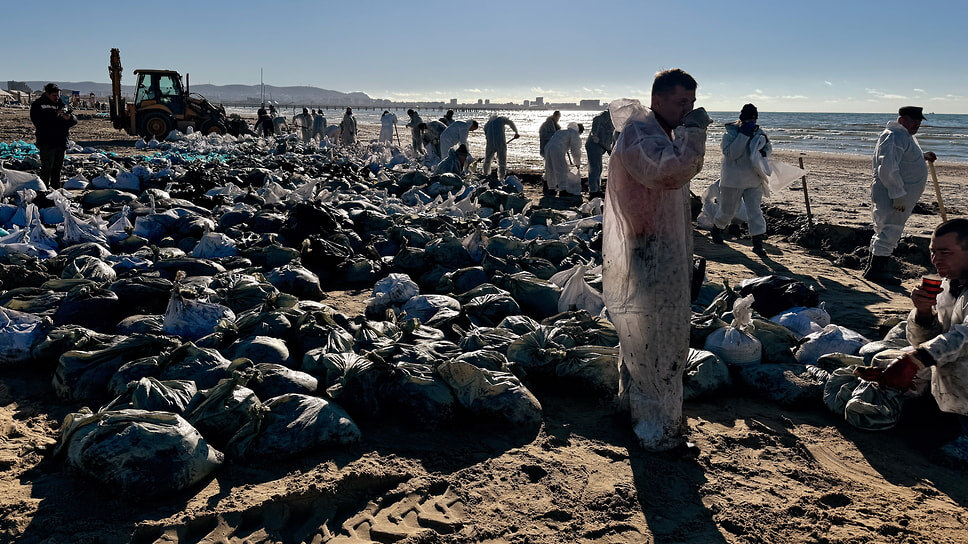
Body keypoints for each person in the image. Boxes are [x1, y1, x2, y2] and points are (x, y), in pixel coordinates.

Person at [602, 69, 711, 452]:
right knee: (658, 336)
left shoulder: (655, 132)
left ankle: (632, 409)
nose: (688, 110)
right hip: (648, 250)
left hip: (658, 247)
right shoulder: (639, 133)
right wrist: (695, 134)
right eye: (682, 103)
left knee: (644, 334)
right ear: (658, 99)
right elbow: (670, 172)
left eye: (693, 104)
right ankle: (655, 428)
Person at [871, 219, 968, 464]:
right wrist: (923, 313)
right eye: (933, 252)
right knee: (881, 362)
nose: (936, 260)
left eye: (945, 252)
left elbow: (962, 338)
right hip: (951, 372)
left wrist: (916, 360)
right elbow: (930, 340)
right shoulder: (948, 286)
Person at [866, 106, 938, 284]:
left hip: (897, 192)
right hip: (892, 193)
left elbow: (904, 158)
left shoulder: (902, 135)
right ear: (901, 120)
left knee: (885, 228)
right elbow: (888, 167)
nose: (917, 124)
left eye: (919, 121)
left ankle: (873, 268)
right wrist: (897, 194)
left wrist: (922, 156)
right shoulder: (895, 135)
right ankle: (877, 270)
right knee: (890, 229)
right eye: (913, 121)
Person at [711, 103, 771, 255]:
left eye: (753, 120)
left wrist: (765, 152)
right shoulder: (730, 134)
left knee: (755, 211)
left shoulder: (759, 132)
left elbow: (768, 148)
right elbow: (732, 154)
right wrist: (743, 135)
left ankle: (758, 243)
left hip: (753, 179)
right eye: (748, 120)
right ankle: (717, 229)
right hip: (732, 180)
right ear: (741, 119)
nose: (751, 123)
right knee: (727, 211)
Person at [30, 83, 77, 188]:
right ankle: (43, 191)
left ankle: (55, 191)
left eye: (58, 95)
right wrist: (56, 115)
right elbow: (38, 121)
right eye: (54, 95)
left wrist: (69, 118)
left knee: (57, 170)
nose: (57, 97)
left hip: (61, 142)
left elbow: (74, 120)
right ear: (47, 94)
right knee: (46, 169)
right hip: (47, 142)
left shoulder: (62, 104)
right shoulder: (38, 104)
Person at [543, 122, 583, 200]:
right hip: (557, 149)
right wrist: (577, 163)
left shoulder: (561, 131)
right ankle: (563, 190)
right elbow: (575, 150)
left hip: (548, 147)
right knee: (562, 169)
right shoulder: (574, 134)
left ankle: (551, 188)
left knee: (550, 168)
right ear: (579, 130)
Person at [585, 109, 615, 199]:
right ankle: (593, 191)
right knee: (595, 168)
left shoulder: (611, 121)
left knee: (598, 168)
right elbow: (596, 131)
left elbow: (609, 139)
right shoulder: (601, 118)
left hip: (600, 146)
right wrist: (595, 135)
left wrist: (610, 149)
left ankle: (596, 189)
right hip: (594, 146)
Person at [483, 115, 519, 180]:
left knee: (487, 160)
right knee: (502, 162)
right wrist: (516, 132)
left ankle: (486, 175)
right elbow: (510, 122)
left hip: (490, 144)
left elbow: (486, 134)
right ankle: (501, 178)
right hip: (500, 143)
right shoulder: (501, 120)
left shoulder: (487, 124)